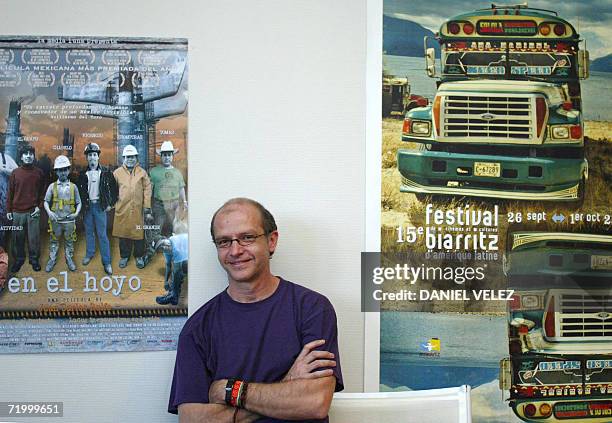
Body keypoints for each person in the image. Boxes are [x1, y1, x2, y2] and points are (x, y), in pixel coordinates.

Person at [168, 198, 343, 422]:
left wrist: (227, 390)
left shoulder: (312, 309)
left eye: (247, 238)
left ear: (271, 241)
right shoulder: (197, 328)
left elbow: (315, 403)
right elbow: (192, 419)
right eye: (223, 242)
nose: (235, 250)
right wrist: (286, 385)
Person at [76, 143, 118, 275]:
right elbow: (79, 193)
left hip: (100, 207)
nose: (92, 157)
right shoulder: (82, 174)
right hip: (88, 207)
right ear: (87, 158)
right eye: (89, 155)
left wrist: (111, 204)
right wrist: (81, 208)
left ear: (98, 157)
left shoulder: (105, 172)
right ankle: (90, 253)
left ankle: (107, 262)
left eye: (94, 155)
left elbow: (114, 189)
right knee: (89, 232)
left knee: (102, 234)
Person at [6, 144, 45, 273]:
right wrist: (9, 210)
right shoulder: (15, 173)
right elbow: (10, 192)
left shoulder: (39, 173)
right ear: (21, 157)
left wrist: (39, 207)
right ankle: (19, 259)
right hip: (17, 212)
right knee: (17, 237)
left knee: (34, 238)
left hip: (33, 211)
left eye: (31, 154)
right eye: (25, 154)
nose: (28, 156)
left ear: (33, 156)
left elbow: (42, 193)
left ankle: (34, 260)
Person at [112, 145, 152, 269]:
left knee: (138, 235)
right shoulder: (117, 173)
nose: (130, 159)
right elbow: (113, 190)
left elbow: (147, 189)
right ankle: (124, 256)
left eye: (133, 157)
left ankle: (139, 256)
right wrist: (112, 204)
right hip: (122, 210)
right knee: (123, 235)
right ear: (124, 158)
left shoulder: (142, 172)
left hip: (137, 210)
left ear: (136, 158)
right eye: (128, 157)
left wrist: (147, 206)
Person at [43, 155, 82, 272]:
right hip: (56, 221)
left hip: (69, 220)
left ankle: (69, 258)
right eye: (60, 170)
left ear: (69, 170)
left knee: (69, 240)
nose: (63, 172)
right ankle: (52, 259)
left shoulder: (73, 187)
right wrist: (49, 212)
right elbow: (45, 201)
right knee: (54, 240)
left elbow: (79, 202)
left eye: (65, 169)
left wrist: (76, 214)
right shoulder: (52, 186)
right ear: (56, 171)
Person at [149, 140, 187, 236]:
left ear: (172, 156)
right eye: (164, 155)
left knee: (172, 229)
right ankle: (155, 248)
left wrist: (185, 202)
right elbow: (149, 190)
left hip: (174, 204)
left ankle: (170, 248)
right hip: (159, 205)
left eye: (169, 155)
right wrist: (148, 206)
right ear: (161, 156)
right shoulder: (154, 171)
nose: (167, 157)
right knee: (158, 227)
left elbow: (181, 188)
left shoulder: (177, 173)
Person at [154, 233, 188, 306]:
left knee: (179, 269)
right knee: (177, 270)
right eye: (160, 248)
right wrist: (166, 281)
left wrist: (172, 288)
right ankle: (173, 296)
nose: (163, 247)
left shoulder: (175, 245)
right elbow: (168, 266)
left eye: (162, 243)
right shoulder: (166, 251)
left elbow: (176, 270)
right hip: (187, 256)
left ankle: (173, 296)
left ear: (165, 239)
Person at [0, 150, 18, 249]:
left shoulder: (5, 158)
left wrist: (4, 169)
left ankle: (3, 255)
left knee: (3, 229)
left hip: (3, 201)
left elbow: (17, 174)